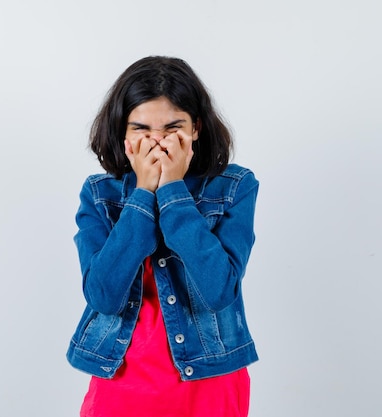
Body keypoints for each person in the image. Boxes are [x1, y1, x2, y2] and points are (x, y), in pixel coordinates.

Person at [66, 56, 259, 417]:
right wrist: (142, 194)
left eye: (172, 128)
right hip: (122, 383)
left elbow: (219, 289)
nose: (158, 142)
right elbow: (103, 296)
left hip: (210, 383)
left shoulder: (235, 187)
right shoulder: (99, 194)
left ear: (196, 128)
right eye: (141, 128)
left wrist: (172, 191)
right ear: (122, 133)